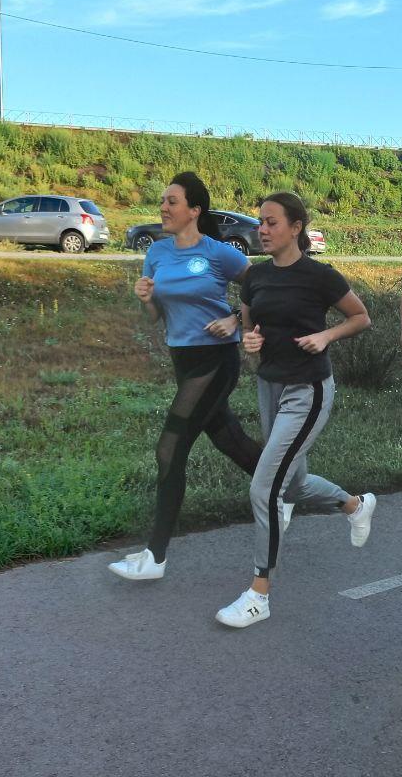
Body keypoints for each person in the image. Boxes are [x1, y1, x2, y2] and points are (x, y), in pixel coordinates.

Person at [215, 191, 376, 629]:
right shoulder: (255, 277)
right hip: (269, 386)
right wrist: (249, 342)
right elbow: (251, 327)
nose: (262, 230)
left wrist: (326, 337)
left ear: (296, 227)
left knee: (264, 488)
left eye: (271, 223)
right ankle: (354, 506)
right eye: (261, 223)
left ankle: (258, 595)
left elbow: (361, 317)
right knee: (292, 483)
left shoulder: (319, 275)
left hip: (308, 390)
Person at [108, 172, 265, 581]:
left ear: (194, 210)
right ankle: (291, 491)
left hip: (216, 361)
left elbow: (260, 288)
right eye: (162, 200)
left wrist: (234, 320)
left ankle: (154, 557)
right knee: (232, 442)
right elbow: (158, 316)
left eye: (172, 201)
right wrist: (146, 300)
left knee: (169, 448)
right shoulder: (157, 253)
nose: (163, 207)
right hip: (184, 360)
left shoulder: (219, 253)